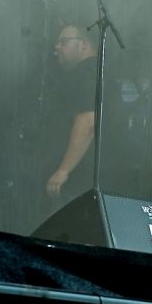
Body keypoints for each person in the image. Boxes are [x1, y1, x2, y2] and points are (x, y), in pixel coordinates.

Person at [37, 24, 97, 219]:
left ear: (84, 45)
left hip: (74, 184)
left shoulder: (86, 74)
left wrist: (63, 170)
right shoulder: (93, 74)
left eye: (63, 42)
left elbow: (87, 122)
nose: (57, 47)